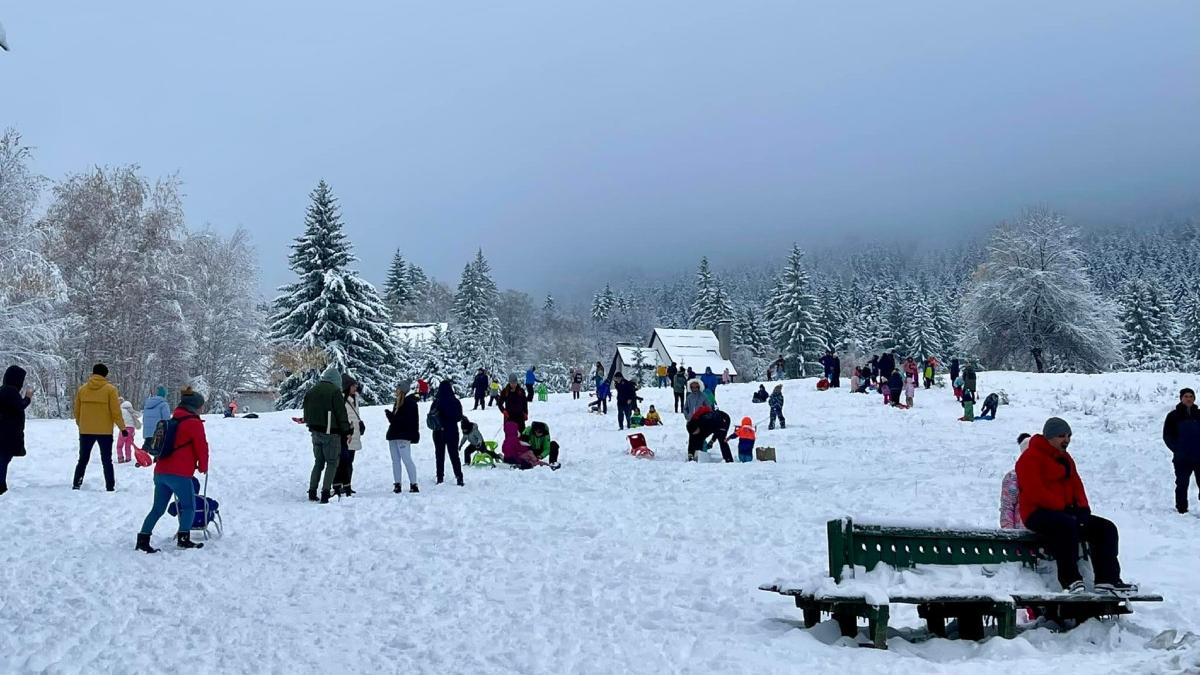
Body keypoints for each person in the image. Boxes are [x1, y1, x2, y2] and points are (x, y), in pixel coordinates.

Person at [1018, 418, 1135, 594]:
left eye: (1069, 436)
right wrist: (1065, 510)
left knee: (1106, 528)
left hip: (1067, 514)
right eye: (1061, 436)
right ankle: (1070, 580)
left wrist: (1082, 509)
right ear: (1049, 437)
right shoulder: (1030, 458)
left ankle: (1107, 580)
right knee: (1065, 525)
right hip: (1037, 513)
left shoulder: (1065, 459)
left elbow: (1077, 485)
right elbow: (1035, 492)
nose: (1066, 440)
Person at [135, 387, 209, 553]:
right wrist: (203, 466)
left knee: (157, 509)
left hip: (161, 471)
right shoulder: (194, 423)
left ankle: (143, 539)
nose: (202, 409)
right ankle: (184, 539)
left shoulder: (171, 420)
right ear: (194, 406)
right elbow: (201, 447)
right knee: (188, 506)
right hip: (180, 474)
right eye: (201, 406)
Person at [73, 363, 125, 492]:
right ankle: (110, 486)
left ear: (93, 373)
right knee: (107, 460)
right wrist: (122, 428)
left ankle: (76, 484)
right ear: (105, 375)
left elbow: (77, 411)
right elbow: (115, 412)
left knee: (83, 459)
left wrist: (81, 424)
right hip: (105, 431)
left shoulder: (82, 389)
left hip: (86, 430)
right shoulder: (110, 390)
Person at [303, 365, 350, 504]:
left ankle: (312, 491)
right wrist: (347, 431)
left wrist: (310, 424)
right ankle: (325, 493)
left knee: (318, 462)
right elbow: (341, 414)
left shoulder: (312, 390)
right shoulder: (334, 392)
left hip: (315, 432)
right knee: (332, 462)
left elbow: (306, 411)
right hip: (331, 433)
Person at [1163, 388, 1200, 513]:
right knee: (1182, 484)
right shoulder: (1173, 416)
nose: (1188, 399)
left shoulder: (1199, 414)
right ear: (1181, 398)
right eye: (1186, 396)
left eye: (1191, 396)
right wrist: (1178, 449)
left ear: (1194, 399)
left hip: (1199, 457)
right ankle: (1182, 509)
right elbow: (1167, 436)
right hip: (1182, 458)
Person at [0, 365, 33, 495]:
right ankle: (1, 486)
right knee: (3, 459)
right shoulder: (11, 392)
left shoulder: (3, 390)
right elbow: (19, 406)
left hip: (5, 432)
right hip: (7, 433)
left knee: (4, 458)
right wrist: (28, 398)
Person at [384, 381, 420, 494]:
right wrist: (391, 417)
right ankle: (397, 484)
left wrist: (392, 417)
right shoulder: (398, 402)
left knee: (406, 459)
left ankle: (413, 484)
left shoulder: (410, 403)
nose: (396, 390)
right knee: (395, 461)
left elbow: (408, 421)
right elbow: (396, 421)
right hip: (394, 435)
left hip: (403, 435)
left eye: (398, 388)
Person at [332, 374, 364, 497]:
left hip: (354, 434)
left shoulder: (355, 398)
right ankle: (339, 485)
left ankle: (347, 485)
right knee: (343, 462)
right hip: (346, 435)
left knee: (349, 462)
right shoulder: (342, 400)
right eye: (353, 385)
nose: (355, 387)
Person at [432, 380, 464, 486]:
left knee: (439, 455)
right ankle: (459, 477)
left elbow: (431, 416)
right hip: (452, 431)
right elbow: (459, 417)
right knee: (454, 455)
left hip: (438, 432)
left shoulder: (436, 402)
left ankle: (440, 477)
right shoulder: (455, 402)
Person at [1000, 434, 1033, 529]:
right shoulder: (1013, 477)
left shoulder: (1050, 475)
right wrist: (1009, 533)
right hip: (1021, 533)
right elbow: (1007, 508)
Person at [116, 397, 141, 464]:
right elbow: (138, 415)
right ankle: (128, 458)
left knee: (119, 446)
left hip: (124, 429)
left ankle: (120, 459)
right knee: (128, 445)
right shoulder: (130, 410)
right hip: (131, 429)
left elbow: (117, 419)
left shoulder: (120, 410)